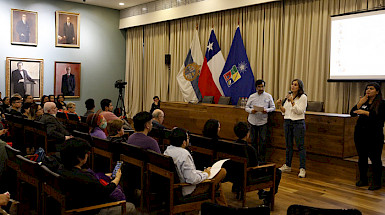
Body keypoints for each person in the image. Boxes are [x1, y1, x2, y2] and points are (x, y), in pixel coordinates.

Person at [59, 138, 136, 214]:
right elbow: (105, 191)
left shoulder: (62, 169)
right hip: (90, 209)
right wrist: (117, 178)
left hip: (75, 205)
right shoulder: (84, 177)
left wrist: (105, 176)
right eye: (86, 153)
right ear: (79, 157)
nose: (88, 155)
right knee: (130, 207)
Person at [164, 127, 227, 206]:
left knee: (217, 185)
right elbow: (192, 179)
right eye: (187, 138)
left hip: (175, 188)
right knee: (222, 172)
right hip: (188, 190)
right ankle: (224, 207)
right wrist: (206, 174)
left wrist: (202, 172)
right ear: (184, 142)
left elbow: (186, 172)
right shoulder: (184, 154)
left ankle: (223, 207)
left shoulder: (167, 150)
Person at [232, 122, 281, 204]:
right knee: (277, 172)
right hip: (248, 176)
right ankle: (268, 197)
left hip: (235, 174)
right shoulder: (250, 149)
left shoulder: (232, 145)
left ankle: (260, 192)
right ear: (247, 134)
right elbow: (255, 166)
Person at [350, 82, 385, 190]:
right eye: (367, 89)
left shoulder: (382, 103)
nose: (368, 90)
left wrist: (365, 113)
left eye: (371, 88)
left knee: (375, 159)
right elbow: (352, 113)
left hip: (374, 135)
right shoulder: (363, 102)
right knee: (362, 158)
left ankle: (376, 182)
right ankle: (363, 179)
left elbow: (381, 118)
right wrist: (359, 103)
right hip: (360, 134)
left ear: (377, 91)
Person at [277, 79, 307, 178]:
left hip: (298, 123)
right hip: (287, 122)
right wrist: (280, 105)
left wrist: (292, 102)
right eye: (292, 84)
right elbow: (285, 111)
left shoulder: (303, 97)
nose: (292, 86)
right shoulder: (288, 96)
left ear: (299, 87)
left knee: (300, 146)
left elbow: (299, 111)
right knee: (288, 145)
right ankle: (288, 165)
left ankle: (302, 168)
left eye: (295, 85)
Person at [245, 79, 275, 162]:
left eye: (262, 86)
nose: (261, 88)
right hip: (252, 121)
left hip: (263, 122)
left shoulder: (268, 96)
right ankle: (254, 159)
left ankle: (261, 160)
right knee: (253, 140)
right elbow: (246, 107)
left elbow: (273, 107)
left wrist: (267, 110)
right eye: (259, 87)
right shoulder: (252, 96)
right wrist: (251, 111)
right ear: (256, 87)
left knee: (263, 141)